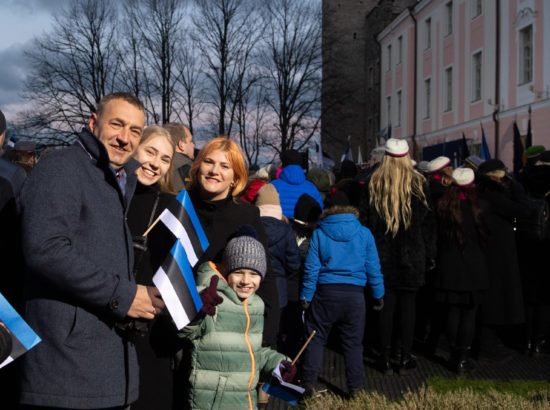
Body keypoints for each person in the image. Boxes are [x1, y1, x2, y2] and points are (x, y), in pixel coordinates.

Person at [19, 92, 165, 409]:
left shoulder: (115, 180)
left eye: (135, 131)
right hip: (66, 373)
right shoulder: (61, 168)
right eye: (117, 124)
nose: (125, 138)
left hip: (106, 369)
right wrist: (124, 296)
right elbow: (45, 249)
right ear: (93, 123)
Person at [179, 226, 296, 410]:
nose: (246, 281)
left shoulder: (255, 304)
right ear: (227, 272)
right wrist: (198, 310)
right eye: (239, 272)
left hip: (245, 401)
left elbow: (252, 353)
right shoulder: (211, 298)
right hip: (213, 403)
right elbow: (186, 332)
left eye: (254, 274)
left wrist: (278, 364)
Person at [185, 137, 280, 348]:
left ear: (236, 178)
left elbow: (265, 276)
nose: (214, 170)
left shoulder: (246, 215)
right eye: (209, 162)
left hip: (225, 332)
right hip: (178, 323)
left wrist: (268, 339)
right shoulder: (179, 207)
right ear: (198, 166)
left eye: (224, 166)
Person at [359, 138, 436, 375]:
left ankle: (383, 356)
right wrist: (430, 255)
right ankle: (403, 356)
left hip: (381, 258)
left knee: (384, 307)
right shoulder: (419, 185)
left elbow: (365, 223)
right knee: (408, 308)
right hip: (412, 258)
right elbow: (429, 226)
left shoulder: (373, 184)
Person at [300, 201, 384, 397]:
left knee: (316, 337)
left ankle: (308, 383)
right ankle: (355, 387)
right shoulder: (364, 233)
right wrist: (378, 294)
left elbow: (311, 268)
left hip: (326, 292)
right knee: (353, 343)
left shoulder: (320, 234)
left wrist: (306, 296)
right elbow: (373, 267)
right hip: (355, 295)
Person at [126, 125, 178, 410]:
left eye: (165, 159)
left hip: (149, 332)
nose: (155, 163)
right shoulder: (109, 195)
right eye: (150, 151)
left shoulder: (173, 209)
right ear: (135, 148)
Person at [433, 168, 490, 373]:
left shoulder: (442, 205)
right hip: (474, 268)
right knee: (469, 315)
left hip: (449, 267)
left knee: (453, 312)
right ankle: (463, 358)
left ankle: (454, 353)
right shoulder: (480, 206)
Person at [254, 184, 301, 356]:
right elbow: (294, 263)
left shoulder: (252, 227)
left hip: (253, 288)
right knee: (273, 335)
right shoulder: (286, 230)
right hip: (279, 289)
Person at [270, 149, 323, 218]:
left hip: (278, 226)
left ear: (283, 164)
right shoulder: (312, 188)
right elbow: (319, 214)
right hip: (304, 227)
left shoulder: (272, 186)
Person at [163, 122, 195, 192]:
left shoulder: (159, 167)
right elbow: (184, 202)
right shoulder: (187, 169)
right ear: (181, 145)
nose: (193, 145)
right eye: (190, 141)